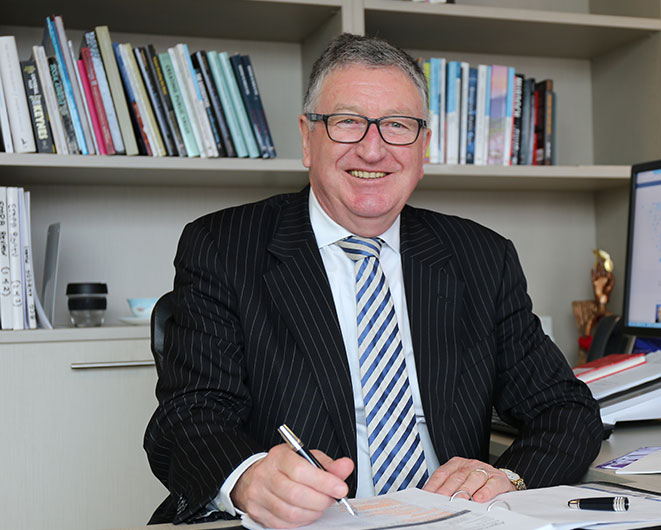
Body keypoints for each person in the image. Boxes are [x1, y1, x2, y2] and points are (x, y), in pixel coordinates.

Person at [144, 33, 602, 528]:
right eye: (347, 123)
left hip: (455, 520)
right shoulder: (223, 245)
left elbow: (565, 408)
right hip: (301, 523)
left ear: (423, 147)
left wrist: (509, 478)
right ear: (306, 137)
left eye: (398, 126)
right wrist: (250, 477)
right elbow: (188, 417)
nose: (373, 149)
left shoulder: (481, 257)